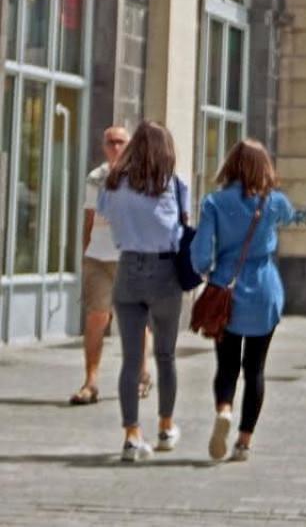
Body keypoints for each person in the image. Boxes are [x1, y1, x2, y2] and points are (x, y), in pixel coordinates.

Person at [190, 139, 295, 462]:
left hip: (227, 289)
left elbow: (201, 254)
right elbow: (290, 217)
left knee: (227, 365)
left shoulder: (215, 202)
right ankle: (244, 442)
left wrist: (206, 270)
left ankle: (224, 409)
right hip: (265, 290)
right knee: (256, 368)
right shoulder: (275, 202)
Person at [95, 121, 184, 461]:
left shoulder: (114, 183)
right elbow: (178, 228)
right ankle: (165, 426)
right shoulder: (170, 184)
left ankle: (132, 435)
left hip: (128, 268)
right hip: (164, 271)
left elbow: (104, 212)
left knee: (131, 359)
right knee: (165, 355)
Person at [74, 124, 149, 406]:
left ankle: (142, 375)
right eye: (110, 142)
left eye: (120, 142)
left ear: (129, 146)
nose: (115, 147)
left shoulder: (141, 178)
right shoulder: (96, 178)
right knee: (96, 317)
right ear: (104, 146)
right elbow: (89, 219)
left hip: (129, 258)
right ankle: (90, 382)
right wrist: (85, 254)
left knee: (136, 322)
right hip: (98, 258)